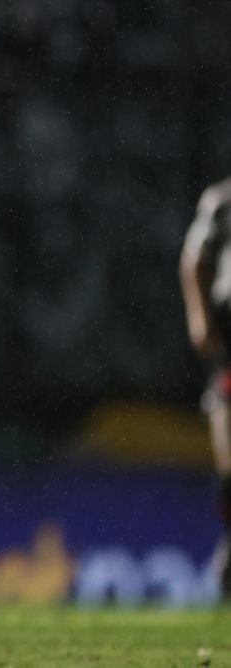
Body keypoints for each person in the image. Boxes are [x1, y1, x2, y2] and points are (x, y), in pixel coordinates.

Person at [180, 176, 231, 599]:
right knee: (229, 465)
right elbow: (193, 260)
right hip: (230, 348)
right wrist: (199, 318)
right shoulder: (222, 201)